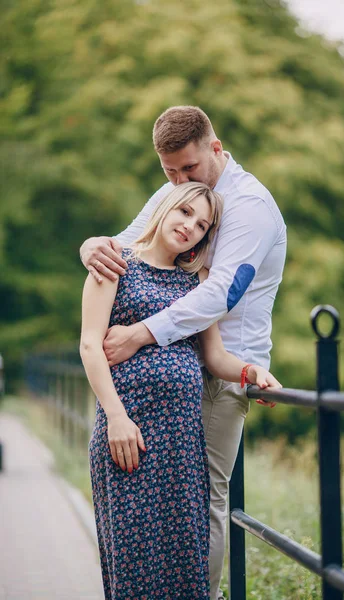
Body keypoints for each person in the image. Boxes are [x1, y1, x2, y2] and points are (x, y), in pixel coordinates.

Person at [80, 106, 286, 599]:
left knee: (203, 507)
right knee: (141, 522)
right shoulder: (178, 189)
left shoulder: (250, 206)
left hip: (217, 375)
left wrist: (138, 335)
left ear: (215, 149)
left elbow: (219, 295)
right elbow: (127, 245)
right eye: (169, 174)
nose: (178, 182)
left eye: (188, 170)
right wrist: (90, 246)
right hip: (150, 393)